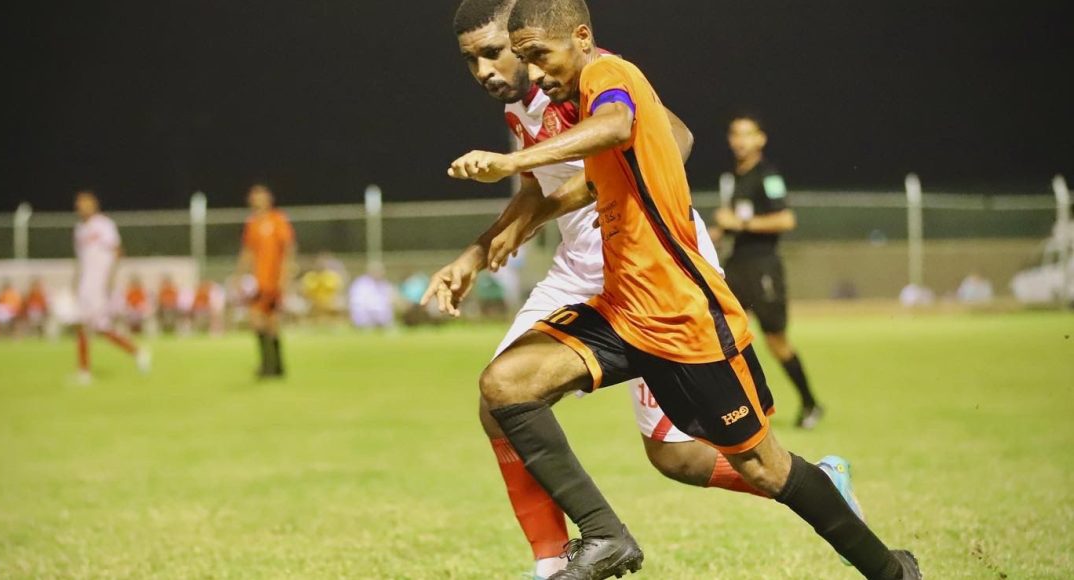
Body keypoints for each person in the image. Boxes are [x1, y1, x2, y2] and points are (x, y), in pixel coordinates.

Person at [445, 1, 921, 578]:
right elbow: (566, 185)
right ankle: (595, 541)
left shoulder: (607, 73)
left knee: (747, 465)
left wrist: (515, 164)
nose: (524, 71)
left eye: (527, 55)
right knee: (504, 387)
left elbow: (627, 127)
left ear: (579, 37)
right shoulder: (546, 99)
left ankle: (889, 566)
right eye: (518, 59)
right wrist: (494, 239)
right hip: (617, 302)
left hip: (678, 311)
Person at [711, 114, 824, 429]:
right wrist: (713, 232)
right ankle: (739, 411)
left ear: (761, 139)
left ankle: (810, 403)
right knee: (722, 335)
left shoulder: (768, 176)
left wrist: (740, 223)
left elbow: (786, 219)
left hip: (763, 268)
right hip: (735, 266)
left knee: (776, 341)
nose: (740, 140)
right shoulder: (736, 177)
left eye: (747, 134)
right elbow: (734, 224)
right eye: (735, 134)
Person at [72, 190, 150, 384]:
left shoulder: (104, 225)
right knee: (95, 327)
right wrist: (76, 283)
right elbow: (81, 261)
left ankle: (85, 372)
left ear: (94, 204)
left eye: (86, 203)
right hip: (85, 286)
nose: (82, 207)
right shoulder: (79, 230)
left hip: (99, 286)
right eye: (80, 204)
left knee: (87, 325)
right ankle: (137, 352)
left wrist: (110, 280)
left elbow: (117, 251)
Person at [234, 184, 296, 378]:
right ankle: (272, 365)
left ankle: (273, 365)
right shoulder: (252, 224)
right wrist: (239, 275)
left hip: (273, 281)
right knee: (258, 321)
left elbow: (288, 249)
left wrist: (285, 277)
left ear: (268, 199)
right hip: (258, 282)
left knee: (270, 322)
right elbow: (247, 252)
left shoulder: (278, 220)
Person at [348, 262, 396, 330]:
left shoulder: (384, 284)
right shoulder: (360, 283)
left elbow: (390, 298)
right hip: (365, 311)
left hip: (380, 312)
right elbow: (357, 300)